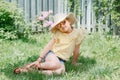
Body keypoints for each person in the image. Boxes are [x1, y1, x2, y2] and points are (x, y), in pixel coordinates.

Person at [14, 13, 86, 75]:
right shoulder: (58, 34)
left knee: (60, 71)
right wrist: (39, 59)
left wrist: (74, 62)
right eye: (59, 25)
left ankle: (32, 71)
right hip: (52, 54)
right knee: (56, 64)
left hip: (62, 59)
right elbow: (49, 46)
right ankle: (35, 65)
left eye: (64, 22)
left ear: (69, 21)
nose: (62, 26)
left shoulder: (78, 34)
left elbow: (76, 50)